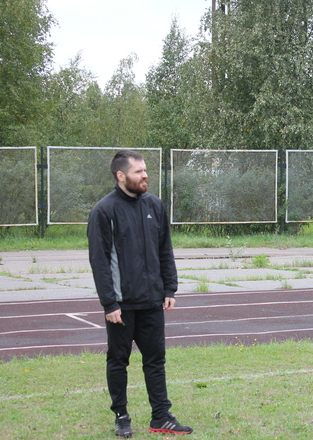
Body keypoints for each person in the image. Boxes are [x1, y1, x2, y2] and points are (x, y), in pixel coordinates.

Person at [87, 150, 193, 438]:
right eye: (139, 172)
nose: (145, 175)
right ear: (121, 176)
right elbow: (99, 261)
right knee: (118, 361)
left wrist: (169, 287)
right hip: (121, 305)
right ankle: (121, 416)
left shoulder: (155, 205)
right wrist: (109, 303)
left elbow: (165, 249)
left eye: (145, 170)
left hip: (152, 300)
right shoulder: (104, 211)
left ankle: (161, 416)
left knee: (155, 360)